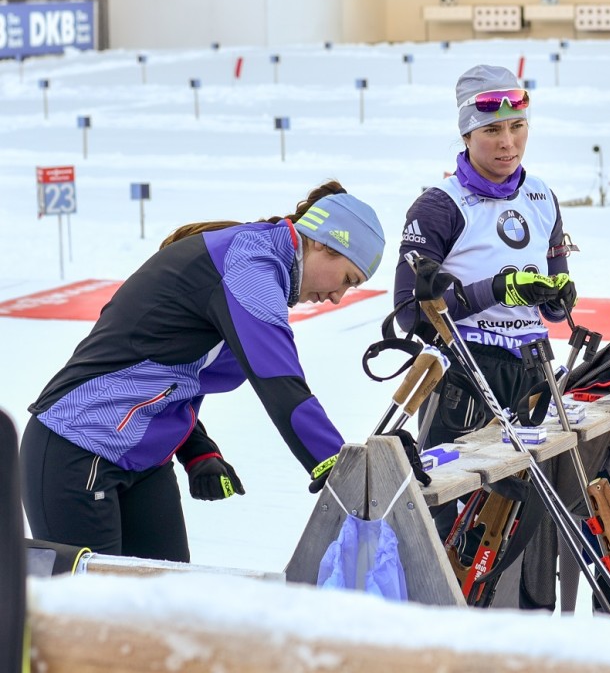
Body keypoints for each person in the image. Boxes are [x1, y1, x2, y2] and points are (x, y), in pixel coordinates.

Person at [20, 182, 385, 563]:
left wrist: (197, 450)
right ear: (325, 245)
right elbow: (279, 381)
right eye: (347, 280)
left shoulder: (259, 262)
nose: (339, 297)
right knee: (89, 616)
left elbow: (174, 372)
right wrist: (337, 466)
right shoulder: (251, 266)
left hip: (143, 460)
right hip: (77, 446)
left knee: (167, 605)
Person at [392, 65, 576, 606]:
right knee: (448, 517)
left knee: (523, 516)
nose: (507, 142)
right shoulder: (439, 206)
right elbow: (410, 313)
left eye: (517, 126)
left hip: (532, 372)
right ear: (467, 133)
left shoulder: (542, 195)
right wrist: (493, 290)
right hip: (465, 375)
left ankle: (519, 631)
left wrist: (558, 296)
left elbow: (555, 273)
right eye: (492, 131)